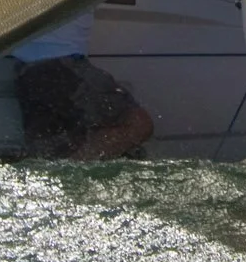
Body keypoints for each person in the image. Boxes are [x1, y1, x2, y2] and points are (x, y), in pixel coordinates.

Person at [8, 11, 153, 160]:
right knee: (138, 124)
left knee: (57, 150)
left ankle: (66, 170)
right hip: (63, 68)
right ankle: (76, 166)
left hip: (27, 72)